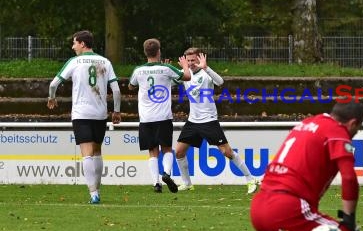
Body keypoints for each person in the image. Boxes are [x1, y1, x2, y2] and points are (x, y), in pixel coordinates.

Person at [200, 101, 363, 231]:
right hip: (288, 207)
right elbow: (349, 177)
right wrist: (349, 220)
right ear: (352, 123)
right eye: (357, 129)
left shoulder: (307, 123)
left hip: (259, 207)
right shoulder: (337, 132)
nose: (354, 134)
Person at [163, 47, 259, 194]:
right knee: (179, 152)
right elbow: (168, 84)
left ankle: (250, 178)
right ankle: (187, 183)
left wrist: (206, 68)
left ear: (199, 59)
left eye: (193, 60)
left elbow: (220, 82)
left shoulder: (206, 73)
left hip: (209, 120)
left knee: (226, 152)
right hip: (193, 121)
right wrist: (166, 69)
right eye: (188, 61)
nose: (191, 63)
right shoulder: (185, 74)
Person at [47, 30, 121, 204]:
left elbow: (53, 84)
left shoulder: (74, 62)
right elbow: (116, 90)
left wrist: (52, 97)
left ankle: (93, 193)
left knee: (86, 153)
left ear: (82, 43)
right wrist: (116, 111)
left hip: (81, 113)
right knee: (97, 151)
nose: (73, 47)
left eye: (74, 43)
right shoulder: (105, 62)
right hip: (100, 113)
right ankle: (98, 189)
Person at [128, 39, 191, 193]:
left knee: (152, 151)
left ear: (145, 52)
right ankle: (167, 173)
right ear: (159, 51)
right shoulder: (166, 68)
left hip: (146, 118)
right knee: (167, 148)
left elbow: (131, 85)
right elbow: (186, 77)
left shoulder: (138, 70)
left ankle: (156, 183)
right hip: (163, 116)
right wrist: (184, 66)